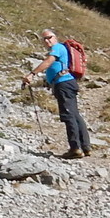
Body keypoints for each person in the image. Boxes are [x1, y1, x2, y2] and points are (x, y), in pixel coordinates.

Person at [24, 28, 91, 159]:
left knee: (68, 115)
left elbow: (49, 61)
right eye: (45, 39)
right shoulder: (60, 48)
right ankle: (85, 147)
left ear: (55, 37)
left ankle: (75, 148)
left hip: (63, 84)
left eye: (49, 37)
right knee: (75, 114)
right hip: (67, 83)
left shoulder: (58, 48)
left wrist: (32, 74)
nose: (47, 40)